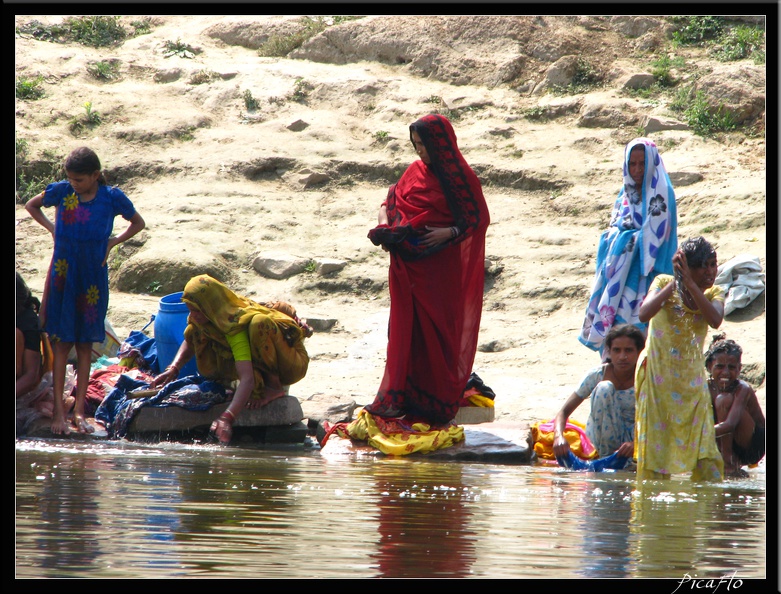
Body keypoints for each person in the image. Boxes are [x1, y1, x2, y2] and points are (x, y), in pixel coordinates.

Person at [365, 113, 490, 427]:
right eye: (416, 144)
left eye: (424, 144)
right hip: (408, 269)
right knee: (407, 330)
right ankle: (403, 395)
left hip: (440, 270)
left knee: (438, 332)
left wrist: (448, 233)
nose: (420, 151)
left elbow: (478, 219)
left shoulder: (460, 176)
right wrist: (385, 227)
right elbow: (390, 201)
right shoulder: (414, 171)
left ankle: (435, 396)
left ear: (440, 144)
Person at [25, 146, 146, 435]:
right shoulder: (61, 192)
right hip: (63, 275)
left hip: (92, 277)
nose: (75, 184)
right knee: (61, 341)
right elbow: (31, 205)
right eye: (71, 179)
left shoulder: (111, 198)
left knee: (83, 345)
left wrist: (113, 241)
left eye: (79, 179)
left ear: (95, 175)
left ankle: (79, 411)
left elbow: (138, 223)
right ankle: (59, 413)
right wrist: (52, 228)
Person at [150, 274, 312, 444]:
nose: (194, 315)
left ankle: (274, 386)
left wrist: (227, 418)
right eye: (190, 309)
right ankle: (234, 386)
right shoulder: (205, 319)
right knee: (193, 330)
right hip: (258, 362)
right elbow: (190, 340)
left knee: (259, 323)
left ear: (210, 306)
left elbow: (247, 379)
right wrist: (173, 369)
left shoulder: (233, 324)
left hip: (290, 364)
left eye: (197, 310)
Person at [634, 236, 724, 481]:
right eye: (702, 266)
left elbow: (715, 320)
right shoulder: (663, 282)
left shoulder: (715, 293)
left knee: (706, 454)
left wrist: (692, 285)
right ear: (687, 267)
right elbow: (644, 313)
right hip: (657, 380)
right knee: (654, 455)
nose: (710, 271)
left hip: (692, 384)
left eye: (713, 264)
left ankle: (705, 508)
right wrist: (676, 282)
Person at [580, 137, 677, 355]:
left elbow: (656, 237)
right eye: (632, 164)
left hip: (651, 275)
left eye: (642, 163)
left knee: (643, 334)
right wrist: (616, 239)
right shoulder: (624, 194)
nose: (637, 169)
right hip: (620, 277)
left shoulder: (663, 193)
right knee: (617, 330)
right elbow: (615, 228)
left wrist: (626, 239)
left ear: (652, 162)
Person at [552, 324, 645, 460]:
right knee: (604, 388)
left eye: (629, 350)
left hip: (637, 440)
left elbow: (661, 418)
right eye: (617, 350)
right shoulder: (597, 375)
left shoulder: (646, 378)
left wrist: (636, 444)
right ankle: (605, 458)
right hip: (601, 439)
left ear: (639, 352)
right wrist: (558, 437)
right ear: (609, 352)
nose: (622, 356)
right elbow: (563, 412)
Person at [704, 334, 765, 478]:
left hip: (752, 446)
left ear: (739, 369)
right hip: (724, 439)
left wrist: (700, 433)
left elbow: (729, 424)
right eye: (719, 366)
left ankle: (729, 463)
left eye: (731, 367)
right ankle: (721, 458)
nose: (725, 372)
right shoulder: (705, 387)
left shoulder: (743, 389)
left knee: (723, 400)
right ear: (709, 366)